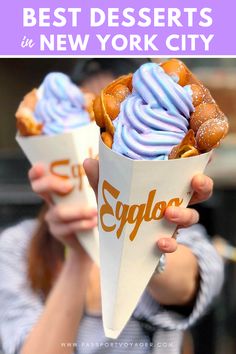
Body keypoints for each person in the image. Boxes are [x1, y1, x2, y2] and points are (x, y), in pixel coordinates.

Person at [0, 156, 223, 354]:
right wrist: (80, 252)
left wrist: (140, 235)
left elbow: (191, 285)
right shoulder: (17, 246)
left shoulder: (173, 226)